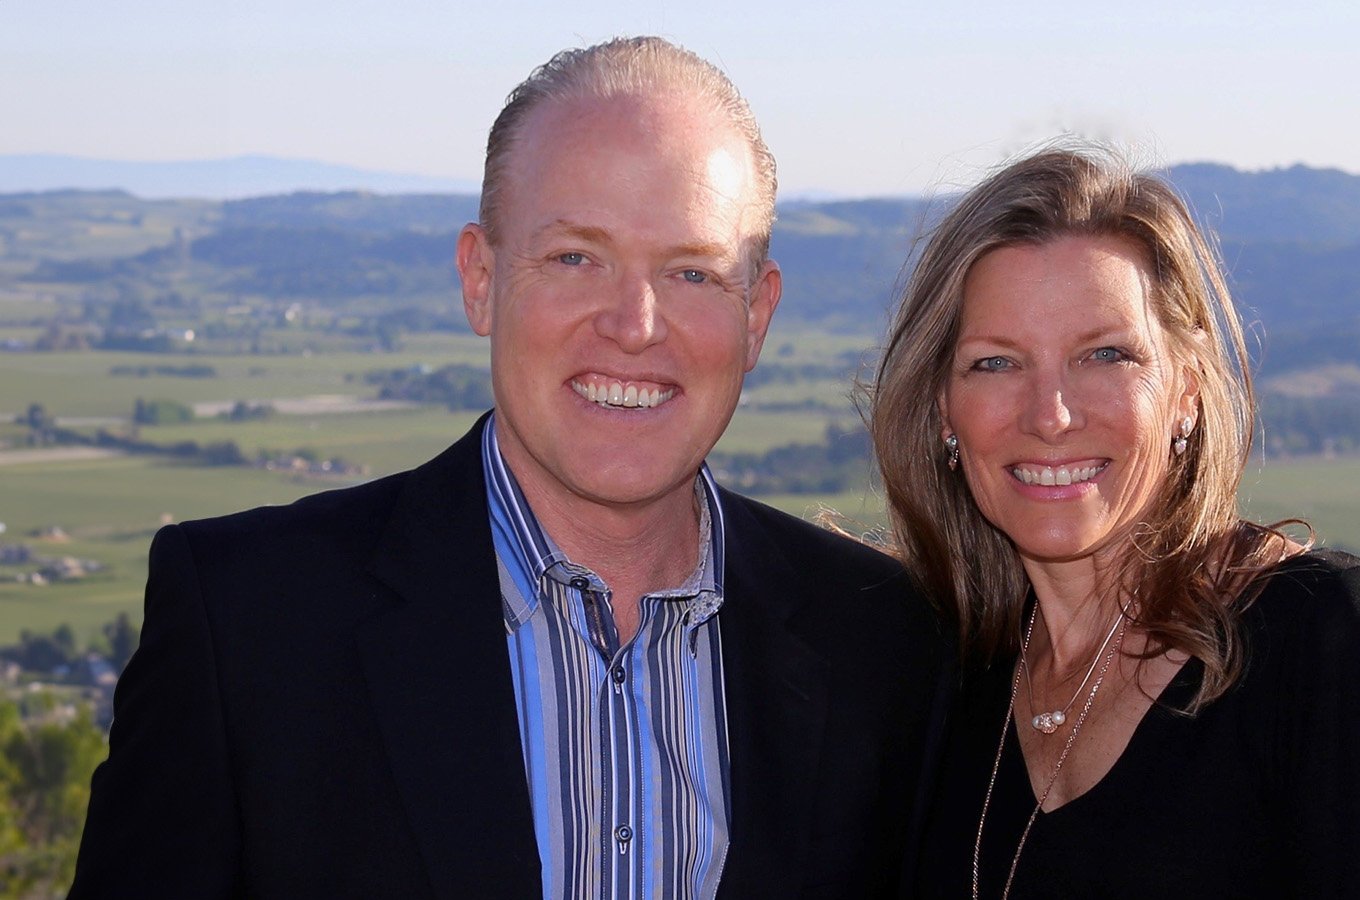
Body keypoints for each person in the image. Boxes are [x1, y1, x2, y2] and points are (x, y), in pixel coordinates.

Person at [70, 37, 945, 899]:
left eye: (691, 272)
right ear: (479, 278)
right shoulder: (248, 627)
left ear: (756, 314)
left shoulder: (884, 639)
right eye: (575, 258)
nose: (635, 323)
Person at [869, 147, 1360, 898]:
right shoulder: (944, 680)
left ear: (1186, 394)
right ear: (942, 412)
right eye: (997, 363)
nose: (1051, 415)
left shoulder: (1318, 642)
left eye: (1105, 355)